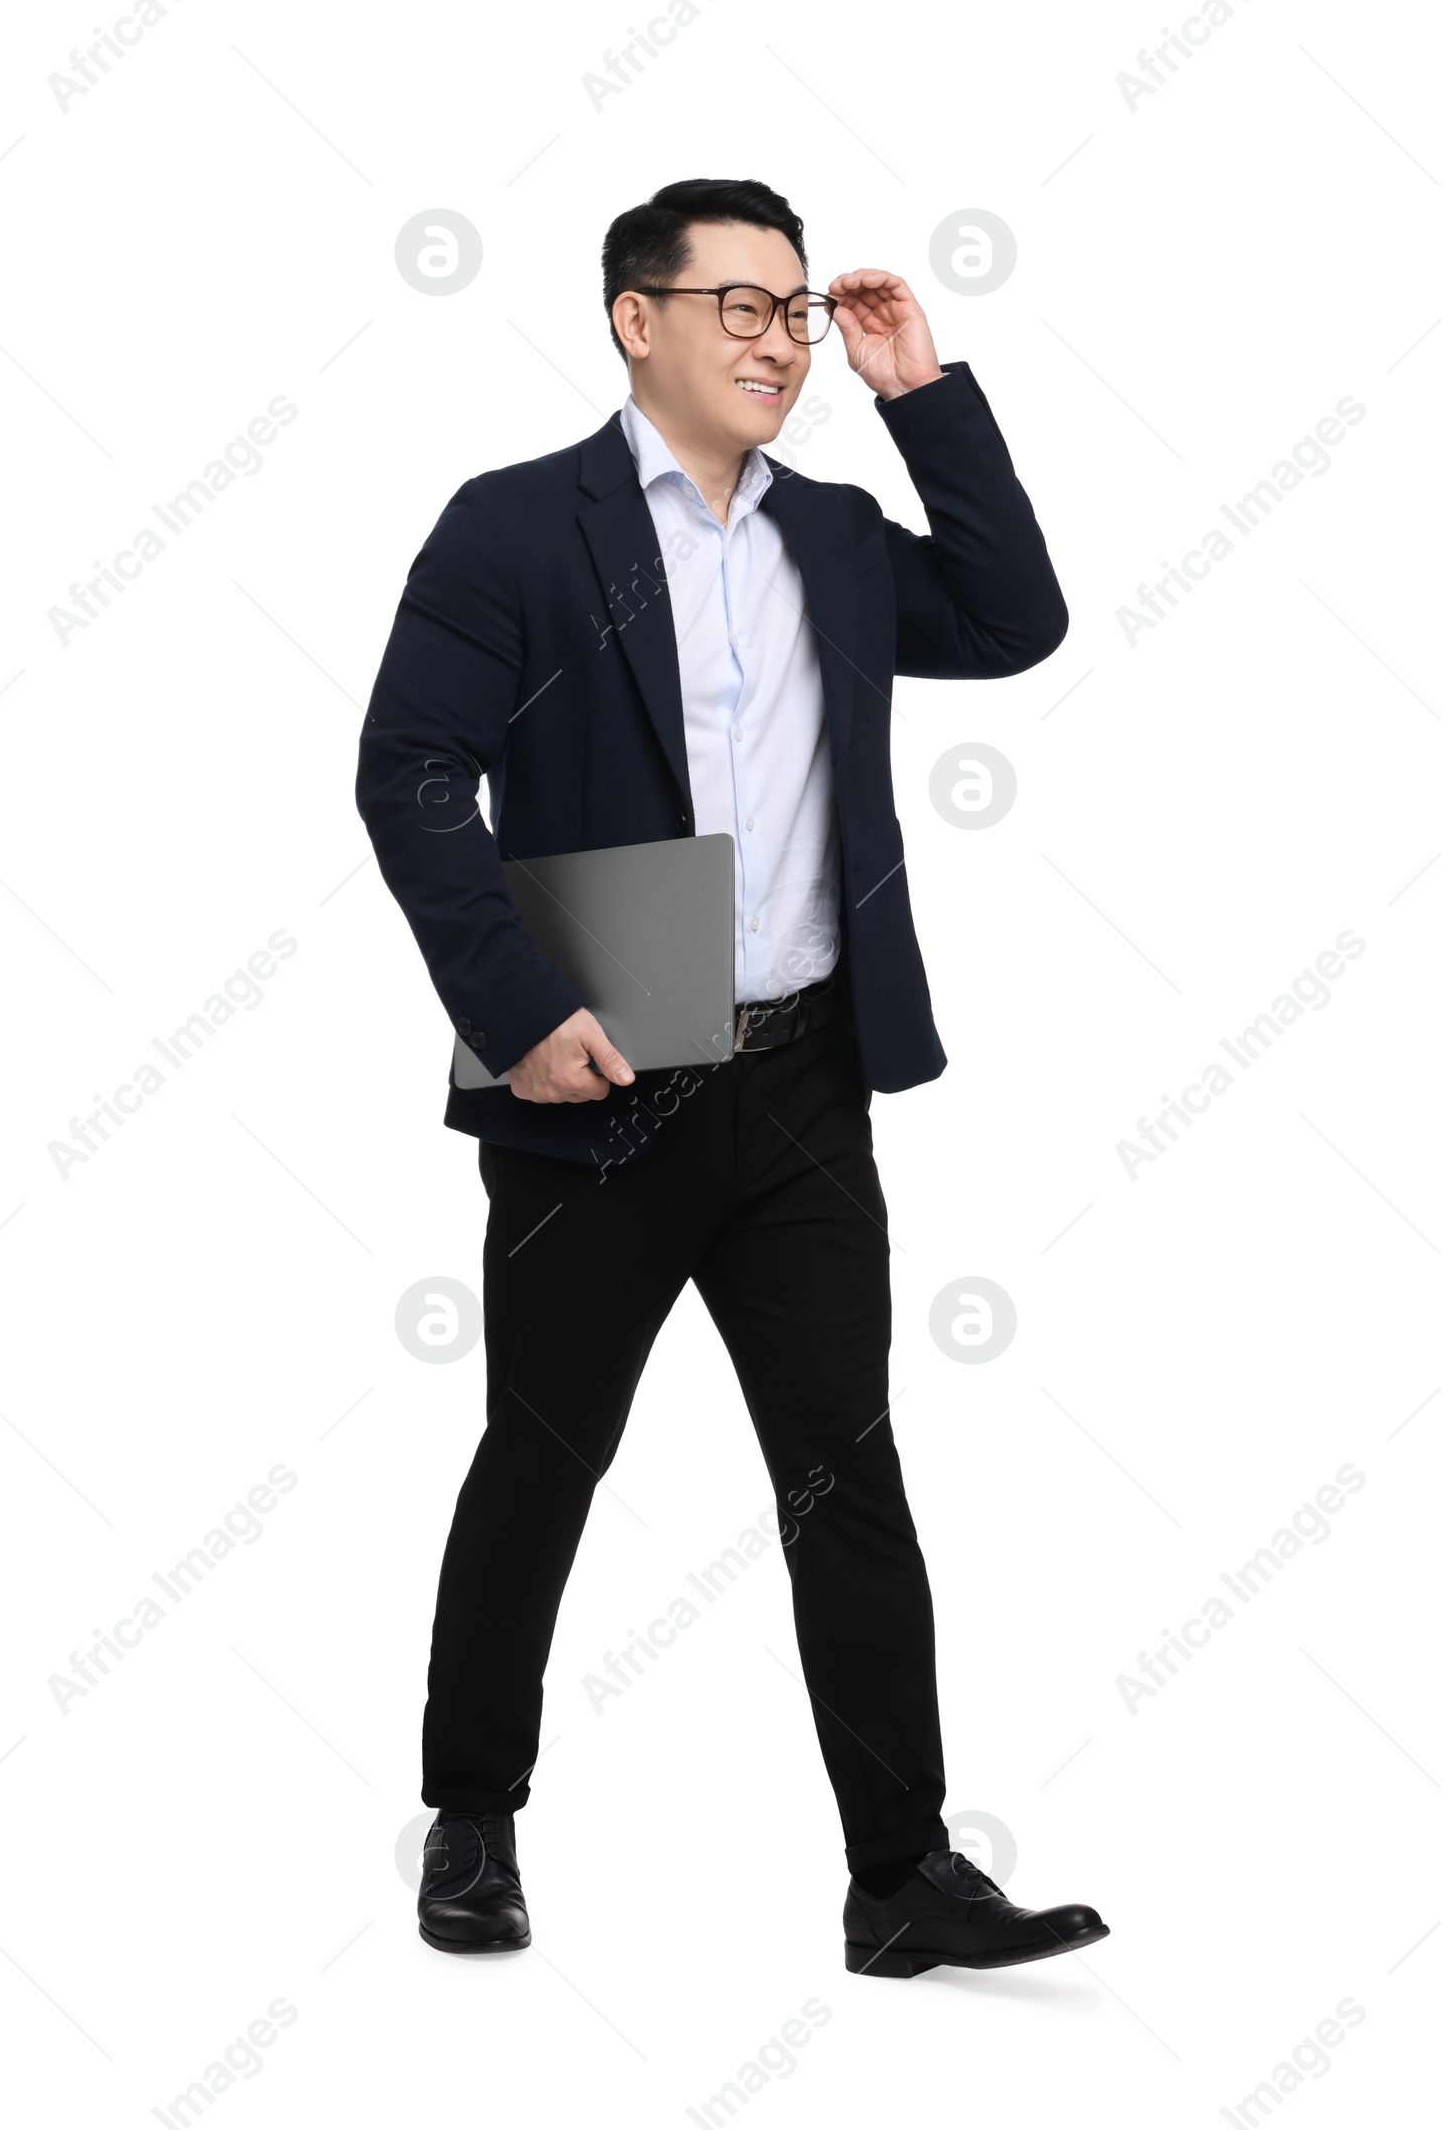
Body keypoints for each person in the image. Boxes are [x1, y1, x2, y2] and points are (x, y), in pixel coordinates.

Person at [356, 177, 1108, 1977]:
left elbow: (1016, 618)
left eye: (797, 315)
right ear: (639, 319)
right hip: (595, 1072)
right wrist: (518, 999)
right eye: (745, 310)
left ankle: (904, 1874)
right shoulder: (515, 526)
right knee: (541, 1462)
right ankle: (473, 1819)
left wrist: (921, 386)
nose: (782, 344)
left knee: (851, 1481)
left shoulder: (835, 538)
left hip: (802, 1086)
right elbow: (410, 775)